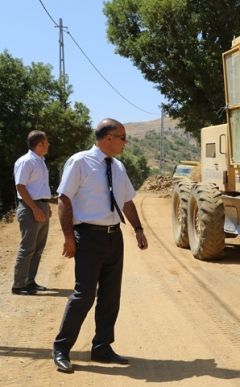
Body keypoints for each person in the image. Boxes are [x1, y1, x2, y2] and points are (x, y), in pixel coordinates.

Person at [52, 118, 148, 373]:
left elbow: (126, 202)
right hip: (88, 237)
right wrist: (69, 237)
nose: (125, 142)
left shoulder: (117, 167)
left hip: (113, 237)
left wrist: (138, 228)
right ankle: (61, 349)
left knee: (110, 296)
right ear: (108, 138)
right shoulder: (80, 162)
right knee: (84, 295)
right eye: (122, 137)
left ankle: (102, 348)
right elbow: (63, 199)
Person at [12, 130, 51, 295]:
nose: (48, 145)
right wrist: (35, 208)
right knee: (28, 247)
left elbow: (39, 187)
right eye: (46, 142)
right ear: (40, 144)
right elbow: (20, 186)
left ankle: (30, 282)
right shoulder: (26, 161)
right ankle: (18, 285)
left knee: (38, 248)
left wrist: (45, 205)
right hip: (30, 208)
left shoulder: (40, 161)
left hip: (40, 206)